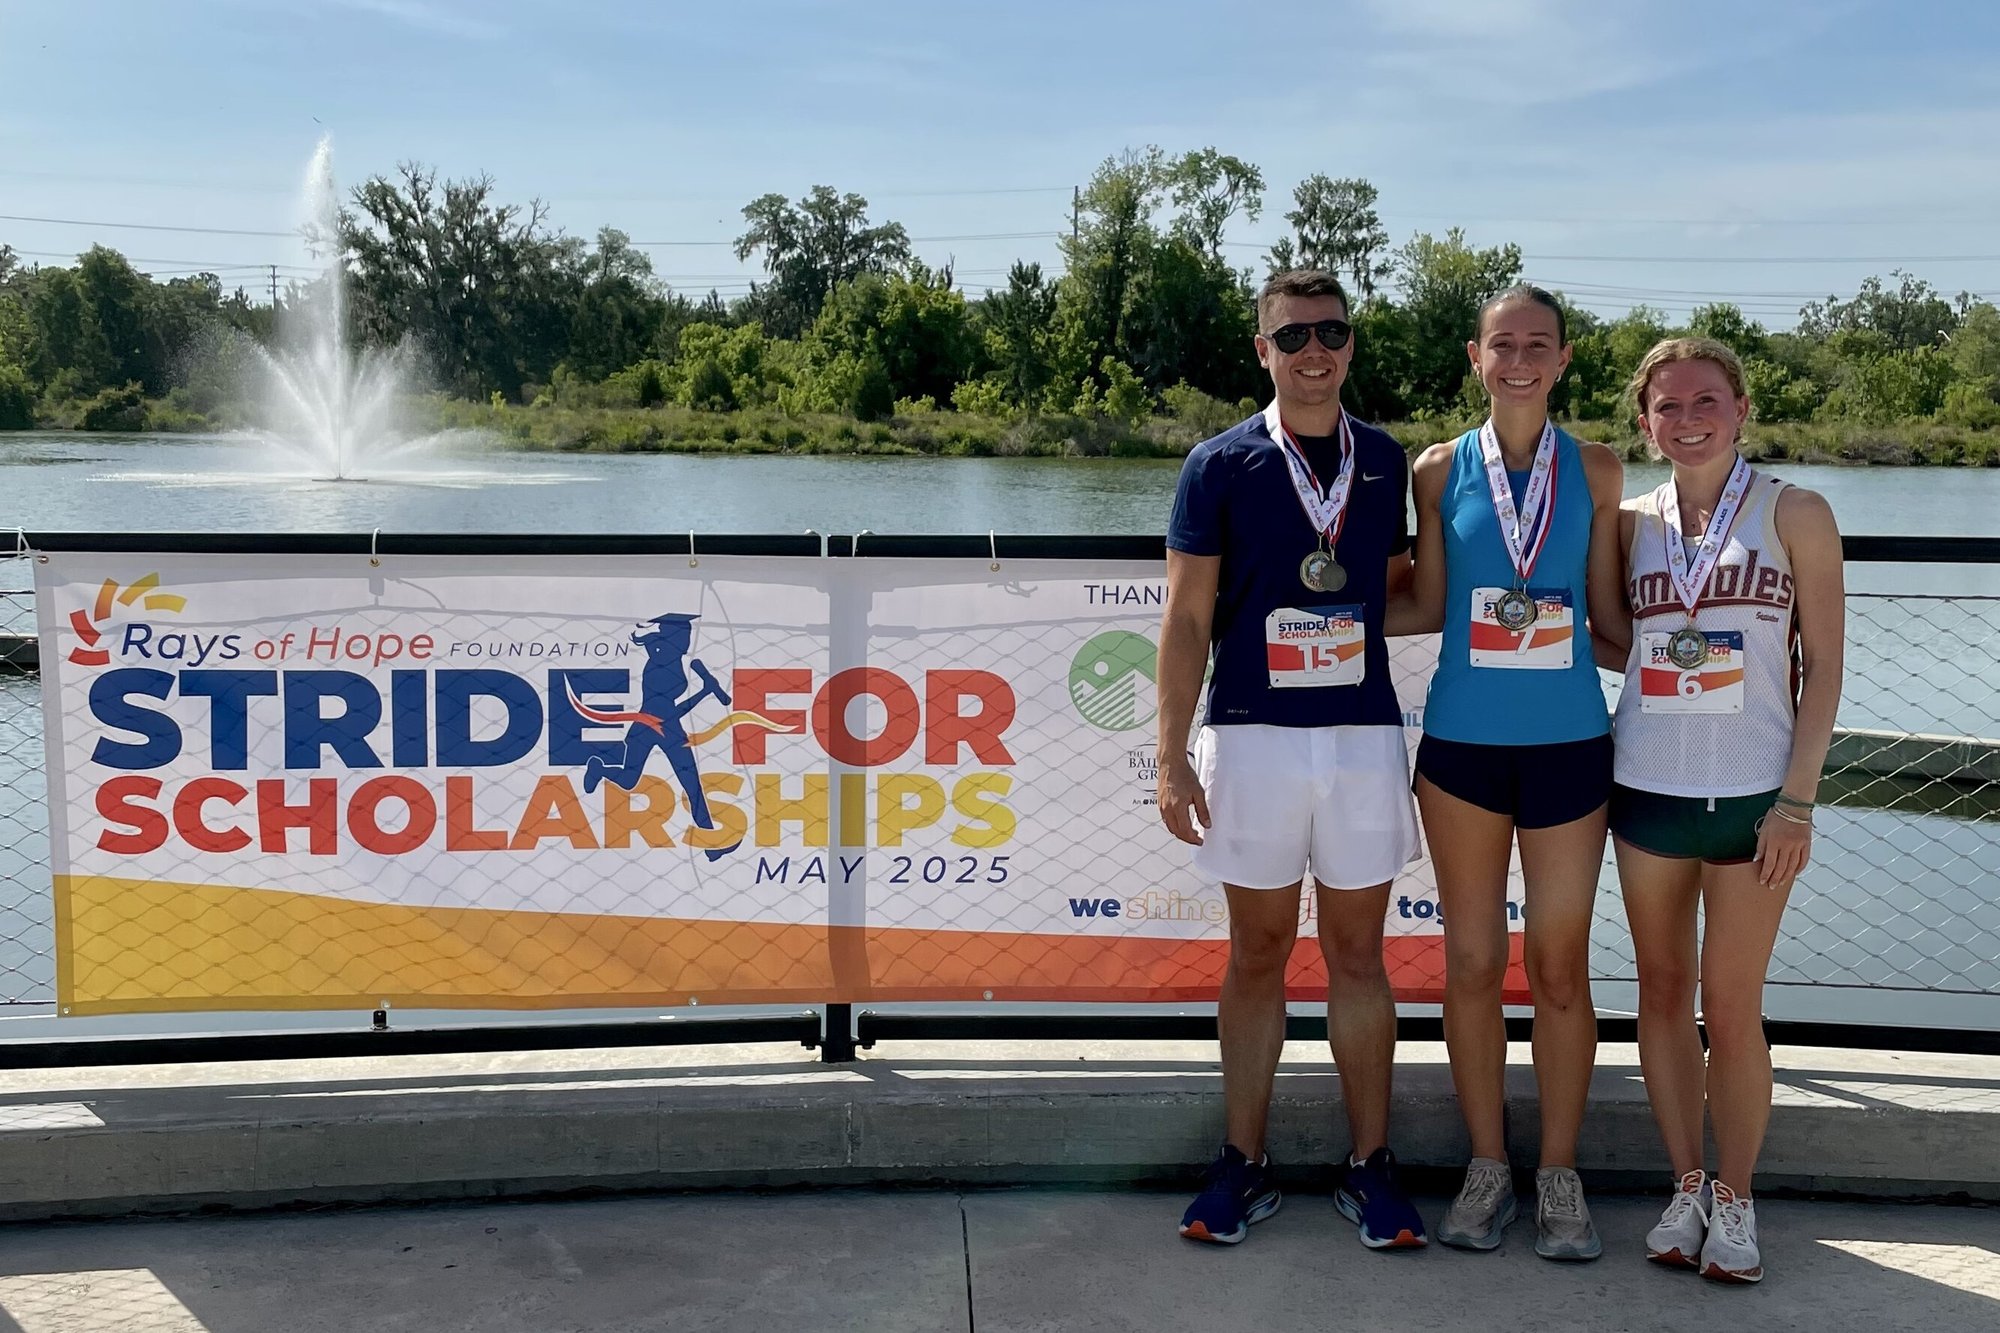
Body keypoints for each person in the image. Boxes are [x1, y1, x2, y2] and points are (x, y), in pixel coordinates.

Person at [1158, 268, 1426, 1249]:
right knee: (1258, 952)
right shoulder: (1218, 463)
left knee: (1357, 954)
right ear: (1261, 350)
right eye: (1292, 334)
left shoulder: (1385, 460)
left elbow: (1389, 588)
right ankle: (1242, 1160)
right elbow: (1187, 618)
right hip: (1252, 736)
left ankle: (1370, 1166)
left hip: (1358, 737)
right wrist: (1169, 752)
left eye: (1331, 331)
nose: (1313, 349)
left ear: (1349, 345)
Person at [1600, 337, 1844, 1284]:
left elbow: (1823, 665)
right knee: (1660, 994)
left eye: (1707, 400)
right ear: (1645, 421)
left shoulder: (1797, 512)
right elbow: (1617, 636)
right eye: (1668, 406)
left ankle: (1738, 1198)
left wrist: (1798, 800)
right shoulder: (1627, 524)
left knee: (1732, 1007)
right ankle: (1687, 1183)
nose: (1688, 418)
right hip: (1648, 786)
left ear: (1741, 408)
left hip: (1753, 801)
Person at [1388, 286, 1625, 1260]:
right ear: (1474, 357)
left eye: (1537, 344)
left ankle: (1558, 1174)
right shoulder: (1437, 471)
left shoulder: (1600, 468)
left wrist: (1741, 651)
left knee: (1559, 970)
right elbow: (1428, 604)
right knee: (1474, 964)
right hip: (1460, 752)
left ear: (1562, 358)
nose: (1518, 358)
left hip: (1571, 746)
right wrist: (1273, 605)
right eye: (1501, 344)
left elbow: (1610, 616)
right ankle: (1487, 1168)